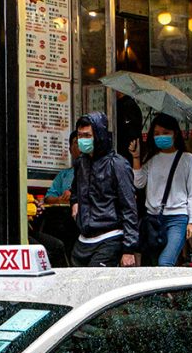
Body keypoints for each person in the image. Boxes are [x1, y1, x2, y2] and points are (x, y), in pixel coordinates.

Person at [69, 112, 138, 267]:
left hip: (109, 238)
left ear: (98, 136)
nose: (82, 140)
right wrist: (74, 203)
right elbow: (75, 190)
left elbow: (129, 207)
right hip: (84, 239)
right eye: (80, 136)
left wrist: (129, 249)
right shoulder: (81, 163)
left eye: (87, 135)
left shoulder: (117, 165)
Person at [131, 113, 192, 267]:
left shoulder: (187, 159)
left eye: (165, 133)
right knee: (151, 263)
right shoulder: (151, 158)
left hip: (178, 219)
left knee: (165, 262)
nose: (160, 137)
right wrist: (136, 158)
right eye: (156, 134)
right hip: (153, 219)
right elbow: (139, 183)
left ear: (175, 134)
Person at [35, 133, 81, 267]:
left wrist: (74, 195)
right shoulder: (64, 175)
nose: (79, 146)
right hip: (63, 220)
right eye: (75, 143)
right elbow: (48, 198)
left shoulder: (95, 171)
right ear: (70, 149)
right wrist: (60, 198)